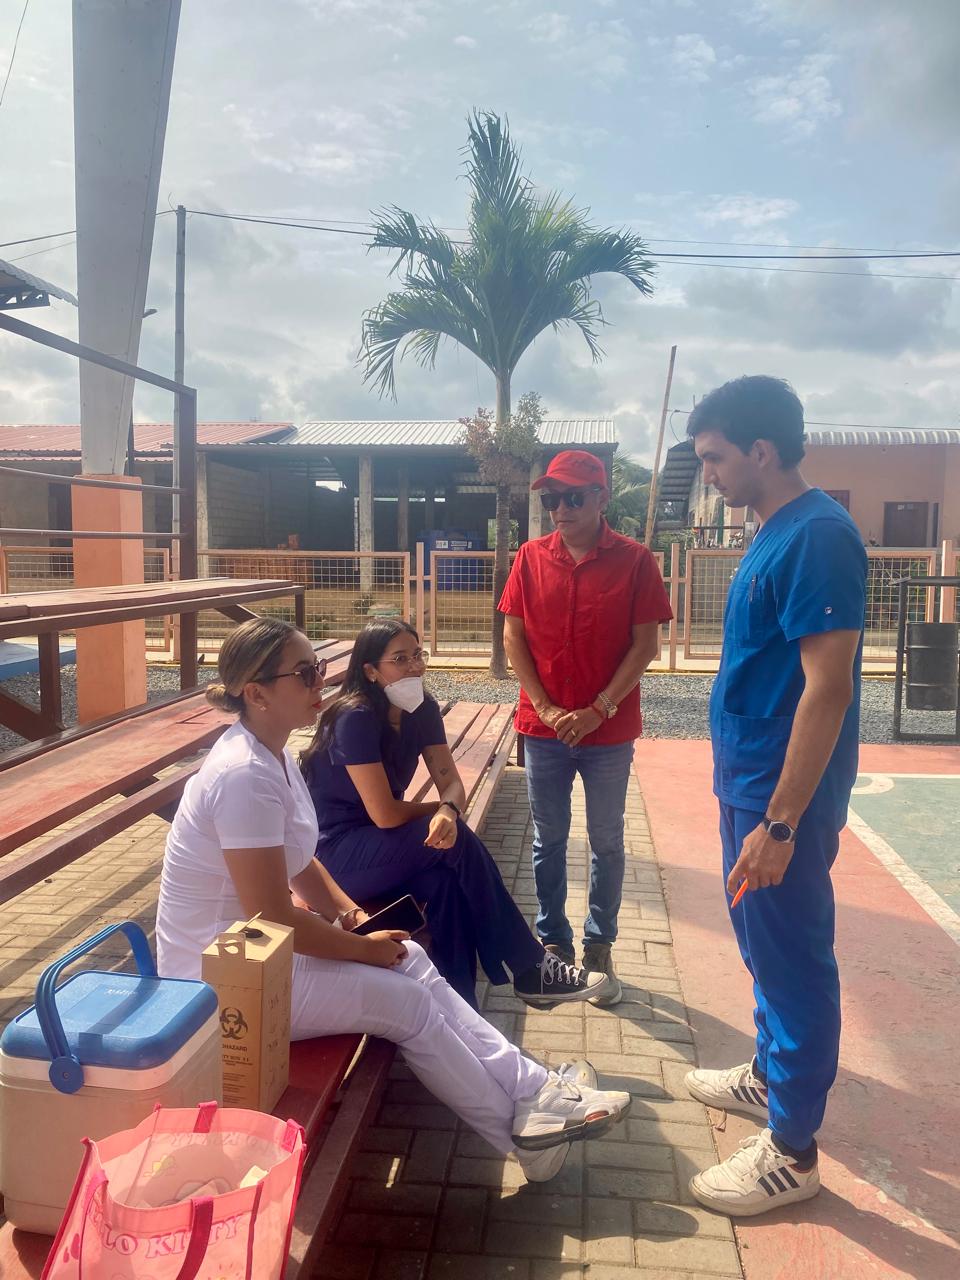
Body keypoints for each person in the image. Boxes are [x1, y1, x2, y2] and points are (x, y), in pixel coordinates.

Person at [155, 618, 630, 1183]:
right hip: (222, 981)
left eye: (319, 669)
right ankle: (521, 1132)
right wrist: (363, 949)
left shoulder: (272, 755)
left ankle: (536, 1092)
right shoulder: (242, 777)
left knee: (414, 959)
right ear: (256, 694)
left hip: (258, 958)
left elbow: (300, 863)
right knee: (406, 1004)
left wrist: (353, 918)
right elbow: (272, 916)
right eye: (305, 674)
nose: (321, 683)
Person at [682, 376, 867, 1216]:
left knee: (793, 959)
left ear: (762, 450)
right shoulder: (772, 530)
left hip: (779, 802)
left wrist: (782, 824)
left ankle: (792, 1150)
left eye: (715, 456)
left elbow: (828, 687)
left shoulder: (819, 536)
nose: (708, 472)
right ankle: (768, 1076)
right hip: (748, 784)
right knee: (761, 945)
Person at [300, 618, 613, 1010]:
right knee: (456, 839)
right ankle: (531, 966)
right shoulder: (355, 718)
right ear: (371, 670)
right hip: (336, 858)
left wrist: (448, 809)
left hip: (385, 849)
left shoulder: (422, 709)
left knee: (445, 882)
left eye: (418, 655)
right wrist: (443, 811)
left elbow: (452, 783)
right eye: (400, 659)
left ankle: (462, 1010)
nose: (414, 667)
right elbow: (384, 814)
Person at [499, 449, 673, 1002]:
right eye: (553, 499)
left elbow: (645, 645)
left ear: (601, 498)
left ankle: (600, 949)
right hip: (544, 730)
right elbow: (513, 637)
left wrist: (599, 708)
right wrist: (547, 709)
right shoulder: (530, 558)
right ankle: (554, 944)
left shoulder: (636, 561)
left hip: (607, 734)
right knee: (547, 841)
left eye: (573, 497)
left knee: (607, 842)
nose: (560, 509)